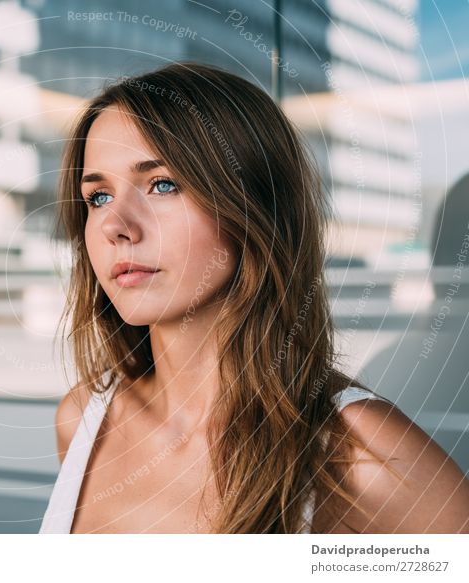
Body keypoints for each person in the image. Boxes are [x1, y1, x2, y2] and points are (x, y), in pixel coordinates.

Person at [40, 62, 469, 534]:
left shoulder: (362, 453)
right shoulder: (84, 419)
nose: (114, 225)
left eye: (163, 185)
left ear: (254, 207)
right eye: (97, 196)